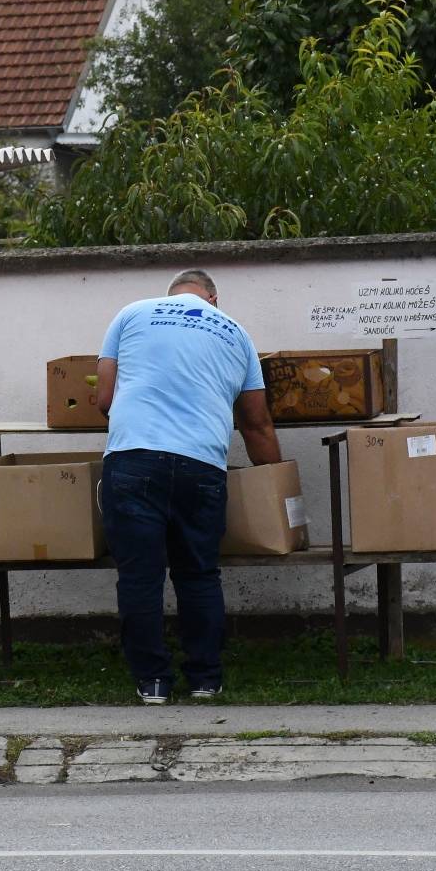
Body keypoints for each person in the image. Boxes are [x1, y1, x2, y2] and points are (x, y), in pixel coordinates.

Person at [94, 268, 283, 705]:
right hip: (203, 464)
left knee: (140, 576)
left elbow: (104, 399)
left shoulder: (132, 313)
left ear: (171, 296)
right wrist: (275, 486)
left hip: (135, 458)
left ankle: (153, 682)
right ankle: (205, 678)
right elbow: (256, 424)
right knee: (198, 574)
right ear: (212, 299)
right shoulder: (237, 333)